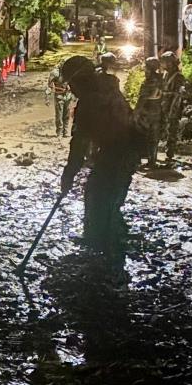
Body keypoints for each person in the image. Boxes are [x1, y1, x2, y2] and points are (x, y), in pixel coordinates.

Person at [59, 55, 142, 256]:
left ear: (81, 80)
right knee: (105, 195)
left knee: (99, 195)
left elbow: (79, 144)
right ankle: (104, 240)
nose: (70, 88)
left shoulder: (90, 102)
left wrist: (69, 174)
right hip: (128, 149)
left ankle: (105, 249)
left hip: (119, 152)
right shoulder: (108, 88)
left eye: (71, 83)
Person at [134, 57, 164, 168]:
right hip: (157, 111)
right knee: (154, 137)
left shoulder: (149, 81)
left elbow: (143, 98)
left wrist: (136, 112)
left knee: (140, 135)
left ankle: (139, 160)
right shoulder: (161, 79)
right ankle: (153, 161)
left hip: (146, 112)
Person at [160, 51, 187, 164]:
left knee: (172, 130)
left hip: (172, 107)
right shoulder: (166, 74)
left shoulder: (178, 77)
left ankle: (170, 153)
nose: (164, 65)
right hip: (164, 105)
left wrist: (173, 110)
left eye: (165, 62)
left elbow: (178, 95)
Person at [44, 64, 74, 138]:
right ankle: (59, 132)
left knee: (67, 115)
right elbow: (49, 86)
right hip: (59, 96)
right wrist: (47, 98)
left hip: (68, 96)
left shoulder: (71, 73)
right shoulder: (55, 73)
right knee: (59, 115)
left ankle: (65, 131)